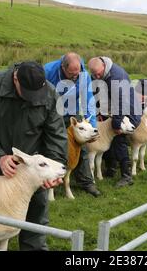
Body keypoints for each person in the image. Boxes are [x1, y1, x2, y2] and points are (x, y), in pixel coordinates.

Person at [0, 61, 66, 251]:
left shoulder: (51, 94)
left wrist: (54, 172)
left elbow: (56, 134)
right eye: (27, 93)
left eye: (36, 94)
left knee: (34, 219)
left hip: (33, 170)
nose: (32, 99)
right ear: (15, 78)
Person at [44, 52, 101, 197]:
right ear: (63, 67)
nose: (75, 77)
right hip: (50, 112)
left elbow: (89, 100)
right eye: (71, 74)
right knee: (51, 144)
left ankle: (87, 182)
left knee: (79, 144)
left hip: (71, 111)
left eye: (78, 73)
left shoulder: (83, 75)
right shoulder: (48, 71)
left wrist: (93, 127)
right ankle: (47, 181)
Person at [88, 56, 141, 187]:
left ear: (104, 67)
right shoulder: (97, 75)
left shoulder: (117, 76)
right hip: (112, 109)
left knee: (118, 139)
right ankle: (111, 168)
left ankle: (126, 175)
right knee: (106, 137)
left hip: (129, 111)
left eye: (98, 73)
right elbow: (97, 92)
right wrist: (99, 112)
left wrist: (116, 124)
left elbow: (122, 103)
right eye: (94, 74)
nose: (96, 76)